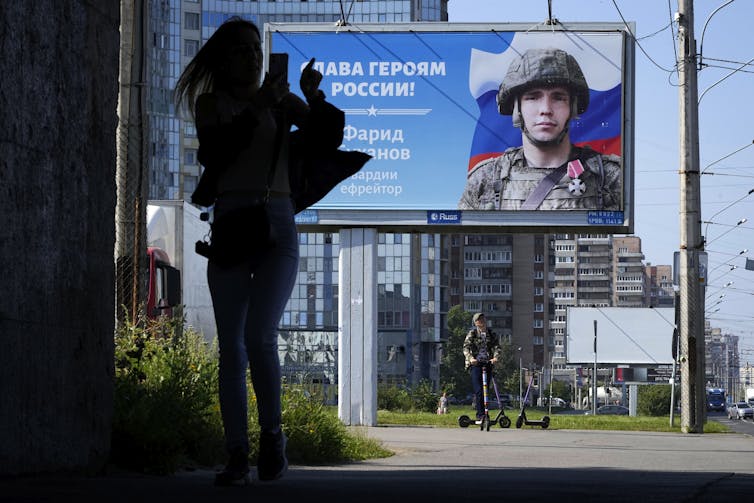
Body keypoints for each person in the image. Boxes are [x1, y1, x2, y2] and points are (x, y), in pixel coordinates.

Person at [173, 17, 347, 486]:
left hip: (277, 225)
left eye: (256, 49)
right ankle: (236, 453)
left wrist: (312, 97)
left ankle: (273, 439)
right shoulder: (212, 104)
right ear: (224, 59)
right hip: (230, 223)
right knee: (230, 346)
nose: (252, 56)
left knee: (259, 335)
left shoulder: (283, 102)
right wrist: (261, 106)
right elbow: (218, 152)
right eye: (242, 50)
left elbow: (328, 140)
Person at [458, 47, 622, 211]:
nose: (545, 109)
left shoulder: (608, 176)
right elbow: (459, 236)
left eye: (558, 98)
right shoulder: (485, 179)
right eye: (533, 97)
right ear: (517, 108)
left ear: (571, 107)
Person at [463, 313, 501, 421]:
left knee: (486, 390)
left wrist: (495, 358)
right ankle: (480, 414)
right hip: (475, 364)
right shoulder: (472, 333)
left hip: (488, 363)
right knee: (479, 390)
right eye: (479, 320)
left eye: (483, 319)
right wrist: (471, 358)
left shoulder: (491, 333)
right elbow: (466, 347)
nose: (482, 321)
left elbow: (497, 347)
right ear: (475, 323)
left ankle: (485, 413)